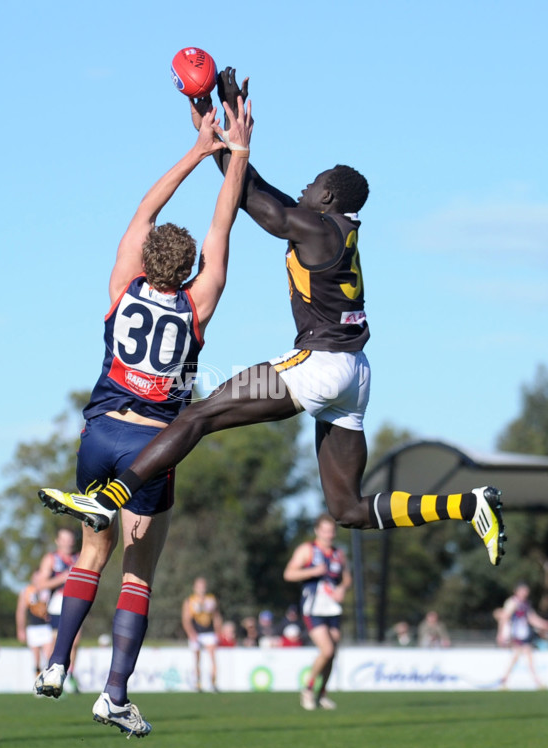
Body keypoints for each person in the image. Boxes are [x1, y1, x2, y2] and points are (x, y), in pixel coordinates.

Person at [39, 69, 506, 583]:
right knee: (346, 508)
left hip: (320, 365)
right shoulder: (335, 230)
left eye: (315, 183)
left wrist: (229, 142)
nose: (306, 186)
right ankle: (469, 504)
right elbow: (257, 188)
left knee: (196, 416)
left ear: (328, 198)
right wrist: (226, 129)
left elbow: (252, 198)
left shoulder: (315, 227)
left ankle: (110, 497)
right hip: (356, 374)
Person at [34, 95, 253, 738]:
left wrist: (197, 146)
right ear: (188, 271)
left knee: (88, 553)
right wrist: (236, 152)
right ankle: (115, 693)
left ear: (146, 257)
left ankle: (54, 664)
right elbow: (223, 226)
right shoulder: (199, 305)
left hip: (97, 435)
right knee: (139, 569)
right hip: (152, 447)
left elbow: (145, 208)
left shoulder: (122, 286)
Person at [284, 513, 351, 710]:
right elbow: (288, 573)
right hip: (313, 607)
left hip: (332, 608)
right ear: (317, 531)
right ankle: (308, 688)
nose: (328, 535)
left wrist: (342, 589)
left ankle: (322, 694)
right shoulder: (307, 550)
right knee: (327, 650)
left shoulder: (339, 554)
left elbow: (347, 578)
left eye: (331, 532)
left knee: (332, 653)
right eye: (325, 531)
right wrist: (312, 571)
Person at [35, 527, 81, 691]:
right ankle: (51, 675)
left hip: (76, 603)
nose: (68, 543)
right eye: (64, 539)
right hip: (57, 604)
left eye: (70, 539)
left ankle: (70, 675)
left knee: (75, 641)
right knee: (56, 643)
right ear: (57, 541)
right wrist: (62, 578)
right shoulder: (51, 559)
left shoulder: (79, 558)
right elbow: (41, 584)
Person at [496, 582, 548, 689]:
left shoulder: (525, 604)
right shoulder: (512, 602)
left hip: (524, 635)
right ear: (517, 591)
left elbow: (532, 618)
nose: (525, 593)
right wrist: (501, 634)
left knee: (519, 658)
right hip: (516, 635)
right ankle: (537, 681)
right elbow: (504, 617)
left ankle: (504, 681)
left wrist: (544, 624)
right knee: (526, 657)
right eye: (523, 590)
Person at [181, 576, 223, 691]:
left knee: (212, 657)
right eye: (199, 586)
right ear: (195, 588)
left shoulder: (211, 599)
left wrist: (219, 632)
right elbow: (186, 619)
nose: (202, 589)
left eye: (203, 586)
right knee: (197, 659)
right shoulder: (190, 600)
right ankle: (198, 682)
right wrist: (191, 634)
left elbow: (216, 616)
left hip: (209, 632)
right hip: (196, 633)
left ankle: (213, 683)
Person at [15, 570, 53, 677]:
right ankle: (38, 683)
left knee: (49, 656)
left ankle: (49, 680)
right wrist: (20, 629)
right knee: (36, 659)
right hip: (33, 628)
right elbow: (21, 611)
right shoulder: (26, 591)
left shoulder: (48, 590)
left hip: (46, 627)